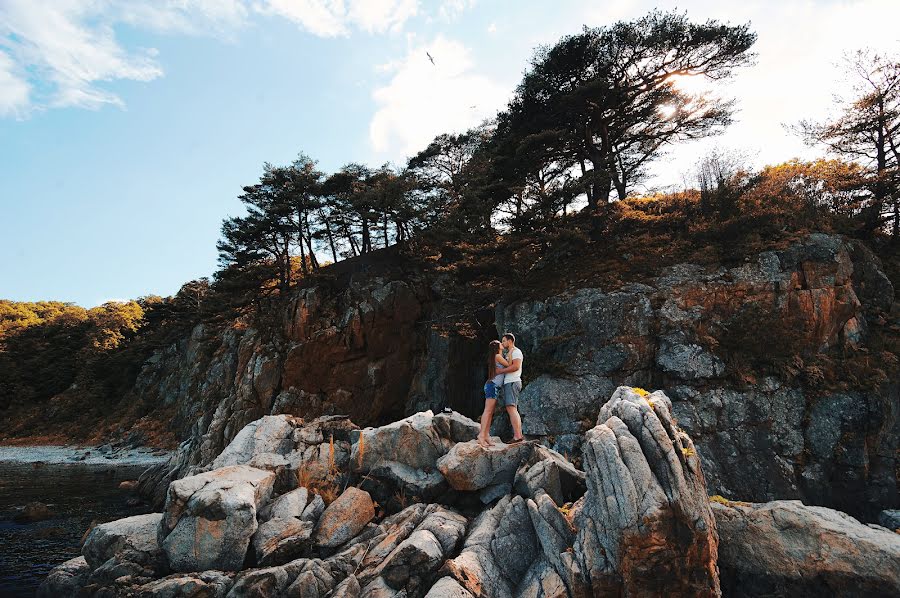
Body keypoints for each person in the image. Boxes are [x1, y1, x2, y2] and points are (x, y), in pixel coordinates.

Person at [495, 332, 526, 443]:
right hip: (510, 383)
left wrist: (501, 371)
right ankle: (518, 435)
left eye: (504, 340)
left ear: (510, 341)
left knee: (512, 408)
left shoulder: (516, 352)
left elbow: (516, 366)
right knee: (512, 408)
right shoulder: (510, 353)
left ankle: (518, 436)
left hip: (513, 382)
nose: (502, 343)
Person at [477, 340, 509, 447]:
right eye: (500, 343)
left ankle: (486, 435)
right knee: (488, 411)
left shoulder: (496, 356)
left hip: (493, 386)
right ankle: (481, 435)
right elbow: (509, 365)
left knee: (490, 412)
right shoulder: (498, 356)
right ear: (497, 347)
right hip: (492, 386)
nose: (502, 344)